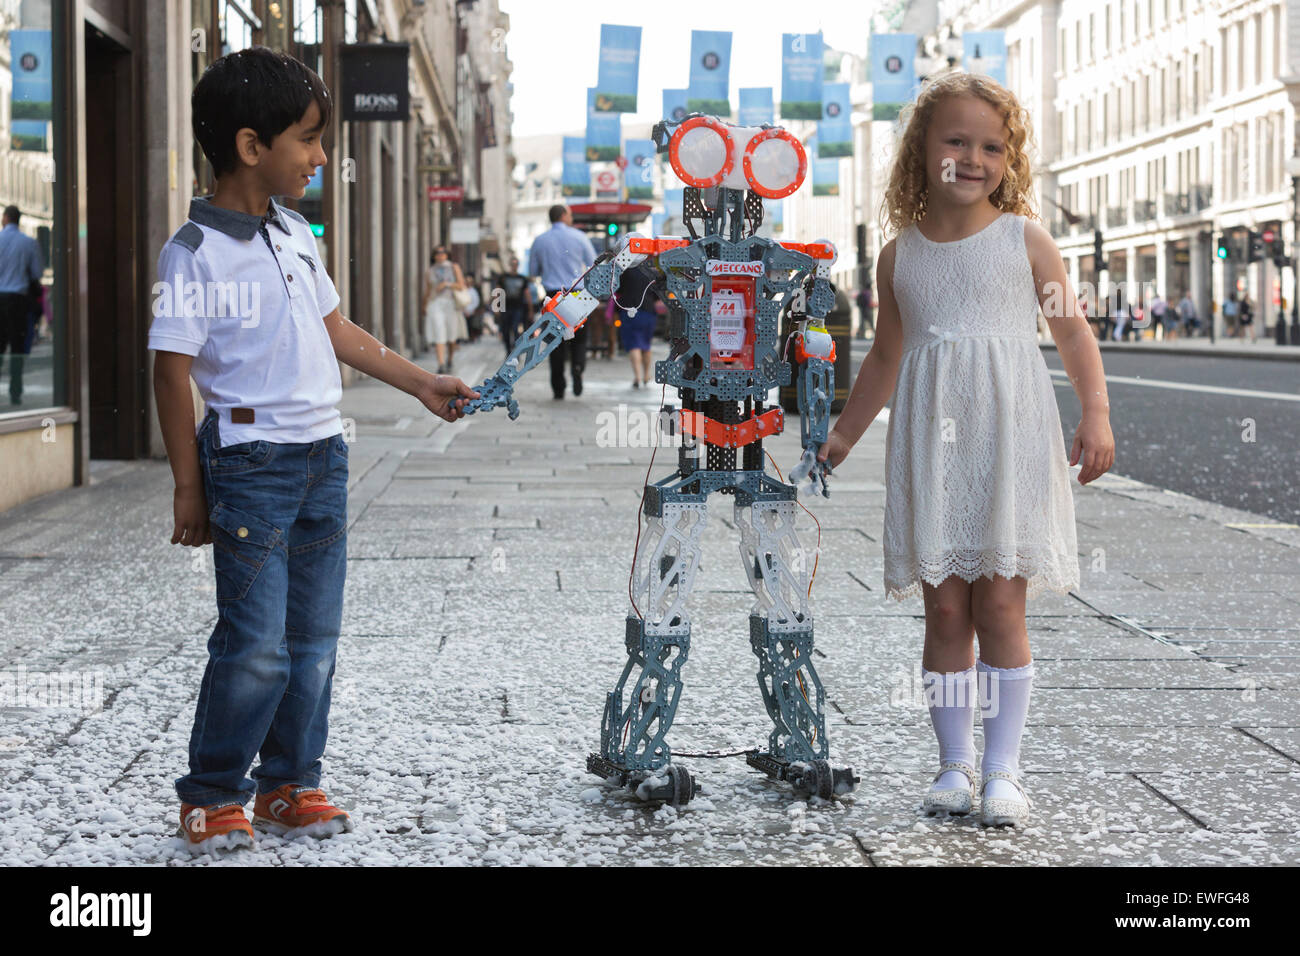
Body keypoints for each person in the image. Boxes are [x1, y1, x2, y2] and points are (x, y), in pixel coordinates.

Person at [149, 47, 479, 852]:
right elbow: (170, 373)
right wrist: (190, 490)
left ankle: (290, 782)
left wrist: (421, 382)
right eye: (308, 139)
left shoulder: (294, 231)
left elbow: (338, 332)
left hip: (322, 457)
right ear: (251, 146)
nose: (322, 156)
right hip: (249, 464)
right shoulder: (193, 251)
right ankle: (214, 791)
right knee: (254, 645)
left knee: (312, 642)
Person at [815, 72, 1114, 828]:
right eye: (957, 141)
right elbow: (886, 354)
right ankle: (953, 765)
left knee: (1002, 604)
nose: (974, 157)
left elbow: (1072, 330)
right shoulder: (898, 257)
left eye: (992, 145)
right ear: (922, 152)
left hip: (1011, 439)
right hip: (933, 448)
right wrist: (844, 433)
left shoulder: (1025, 239)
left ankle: (1004, 771)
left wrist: (1097, 416)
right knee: (945, 611)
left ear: (1009, 159)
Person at [528, 204, 597, 398]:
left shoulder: (540, 240)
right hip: (578, 295)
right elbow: (594, 263)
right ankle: (577, 368)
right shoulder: (580, 237)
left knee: (554, 341)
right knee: (580, 339)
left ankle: (558, 387)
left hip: (553, 297)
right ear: (564, 215)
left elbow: (533, 272)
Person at [0, 205, 44, 405]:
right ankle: (15, 392)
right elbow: (36, 273)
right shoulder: (28, 243)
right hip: (17, 300)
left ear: (5, 218)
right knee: (17, 347)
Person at [612, 262, 659, 388]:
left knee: (634, 344)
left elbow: (618, 290)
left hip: (629, 311)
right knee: (646, 345)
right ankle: (646, 375)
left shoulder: (625, 272)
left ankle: (637, 377)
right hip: (648, 311)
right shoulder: (652, 272)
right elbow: (657, 295)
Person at [421, 246, 465, 374]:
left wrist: (446, 284)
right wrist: (424, 305)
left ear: (447, 255)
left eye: (443, 253)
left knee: (451, 335)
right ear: (434, 256)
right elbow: (428, 290)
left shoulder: (454, 267)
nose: (440, 255)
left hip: (450, 304)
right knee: (439, 332)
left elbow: (461, 286)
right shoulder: (430, 271)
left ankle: (450, 359)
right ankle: (441, 364)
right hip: (435, 304)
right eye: (437, 253)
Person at [492, 256, 533, 354]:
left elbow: (527, 294)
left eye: (516, 264)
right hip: (504, 307)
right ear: (510, 265)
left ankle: (515, 351)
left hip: (518, 308)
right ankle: (508, 350)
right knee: (505, 330)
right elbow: (497, 292)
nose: (514, 266)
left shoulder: (522, 279)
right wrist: (496, 307)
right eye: (512, 264)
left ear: (518, 266)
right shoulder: (503, 277)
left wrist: (530, 310)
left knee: (515, 329)